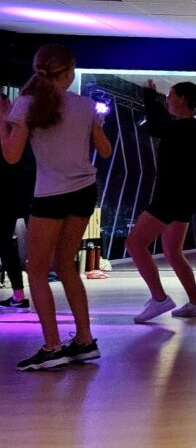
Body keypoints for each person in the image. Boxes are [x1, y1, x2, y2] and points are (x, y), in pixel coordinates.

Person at [1, 44, 112, 371]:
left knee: (36, 268)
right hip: (84, 192)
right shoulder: (85, 105)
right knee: (65, 264)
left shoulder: (25, 105)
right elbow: (105, 150)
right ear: (68, 73)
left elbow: (11, 156)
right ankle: (84, 340)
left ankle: (52, 346)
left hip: (50, 194)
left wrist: (3, 122)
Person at [125, 80, 196, 323]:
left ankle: (159, 298)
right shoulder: (188, 127)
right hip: (184, 195)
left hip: (171, 196)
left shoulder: (184, 127)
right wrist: (152, 101)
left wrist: (150, 98)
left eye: (170, 96)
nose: (168, 100)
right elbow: (160, 126)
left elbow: (155, 126)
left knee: (134, 243)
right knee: (172, 252)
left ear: (182, 99)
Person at [0, 129, 33, 310]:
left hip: (8, 192)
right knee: (5, 243)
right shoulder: (18, 130)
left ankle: (19, 294)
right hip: (21, 192)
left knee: (4, 243)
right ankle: (19, 295)